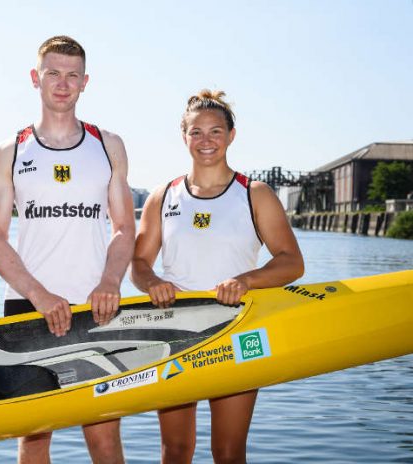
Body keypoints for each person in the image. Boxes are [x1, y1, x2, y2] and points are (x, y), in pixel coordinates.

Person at [0, 36, 135, 464]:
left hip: (96, 307)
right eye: (53, 73)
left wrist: (109, 281)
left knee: (104, 437)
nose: (62, 84)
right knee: (34, 438)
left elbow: (124, 228)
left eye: (72, 75)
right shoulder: (9, 152)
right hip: (30, 309)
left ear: (85, 82)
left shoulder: (109, 145)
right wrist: (40, 295)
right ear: (36, 78)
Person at [131, 89, 304, 464]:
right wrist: (153, 284)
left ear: (231, 135)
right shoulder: (163, 196)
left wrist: (246, 280)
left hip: (237, 330)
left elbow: (291, 262)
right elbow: (139, 264)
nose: (206, 141)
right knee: (176, 451)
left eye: (215, 131)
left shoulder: (255, 194)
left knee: (227, 452)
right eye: (196, 132)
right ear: (184, 137)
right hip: (175, 332)